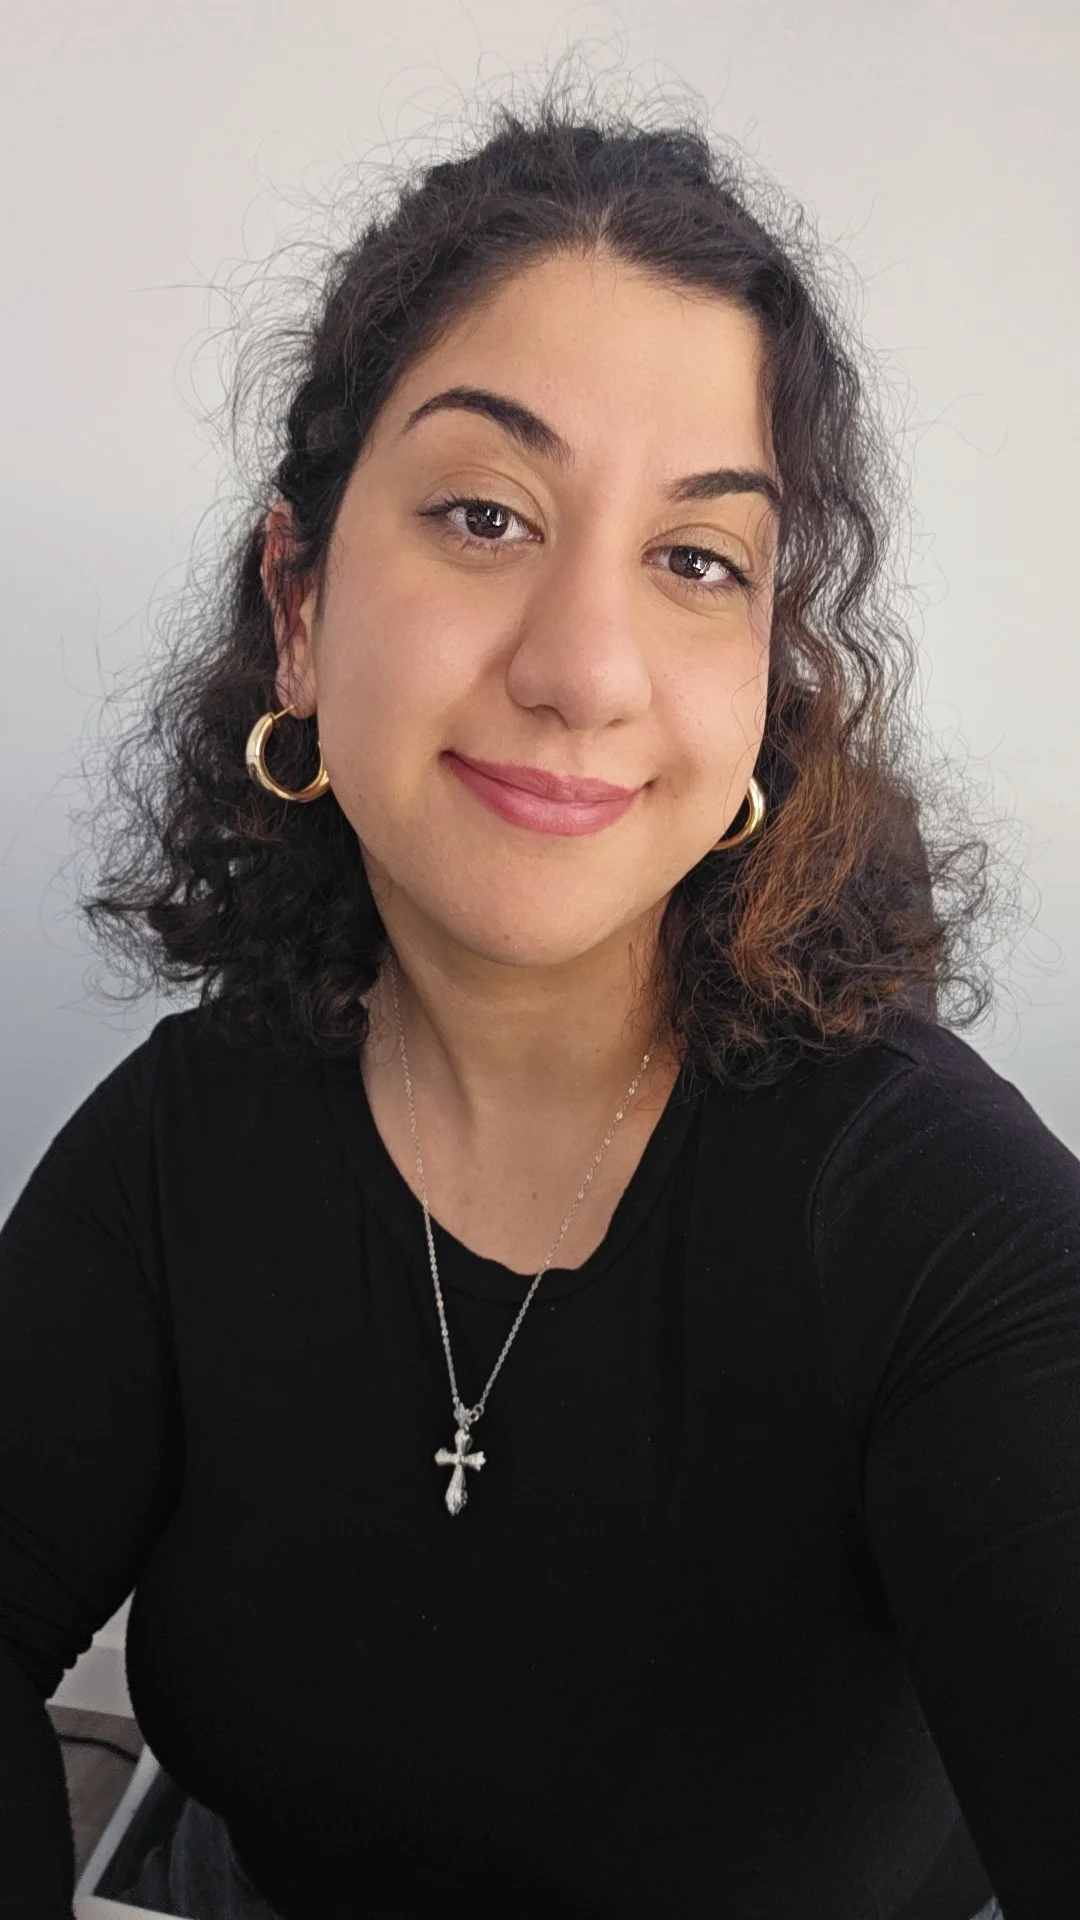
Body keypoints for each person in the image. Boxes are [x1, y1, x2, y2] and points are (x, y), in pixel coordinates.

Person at [1, 71, 1075, 1920]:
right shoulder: (184, 1146)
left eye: (696, 560)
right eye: (487, 515)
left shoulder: (938, 1217)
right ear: (302, 598)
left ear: (764, 683)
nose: (586, 668)